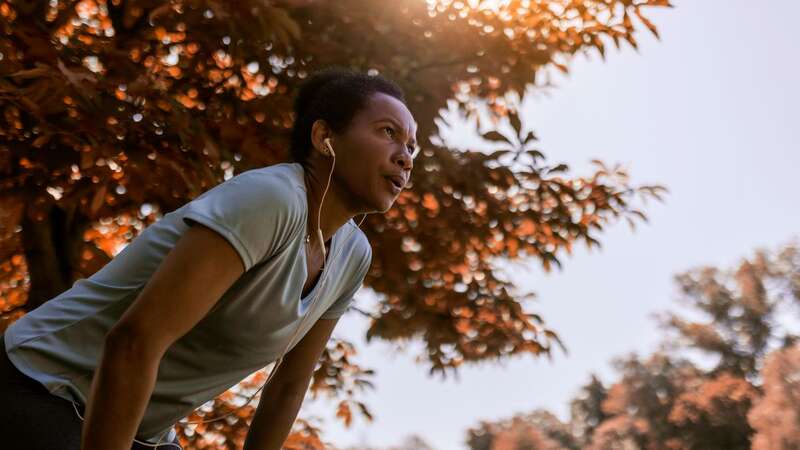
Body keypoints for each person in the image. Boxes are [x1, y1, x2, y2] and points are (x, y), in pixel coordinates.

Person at [0, 66, 419, 450]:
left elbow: (289, 385)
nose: (405, 156)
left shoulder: (351, 255)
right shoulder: (270, 200)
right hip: (39, 388)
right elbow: (135, 341)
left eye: (412, 147)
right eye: (388, 132)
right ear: (323, 137)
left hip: (141, 431)